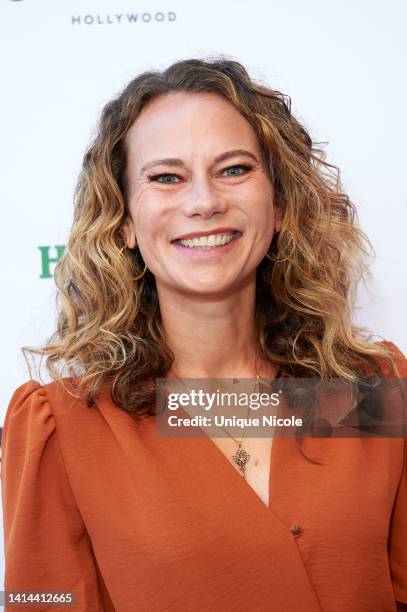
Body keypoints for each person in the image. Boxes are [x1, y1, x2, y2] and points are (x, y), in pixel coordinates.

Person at [1, 57, 406, 612]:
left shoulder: (372, 391)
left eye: (234, 169)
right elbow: (39, 600)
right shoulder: (67, 427)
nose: (204, 202)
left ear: (280, 202)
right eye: (166, 177)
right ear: (123, 221)